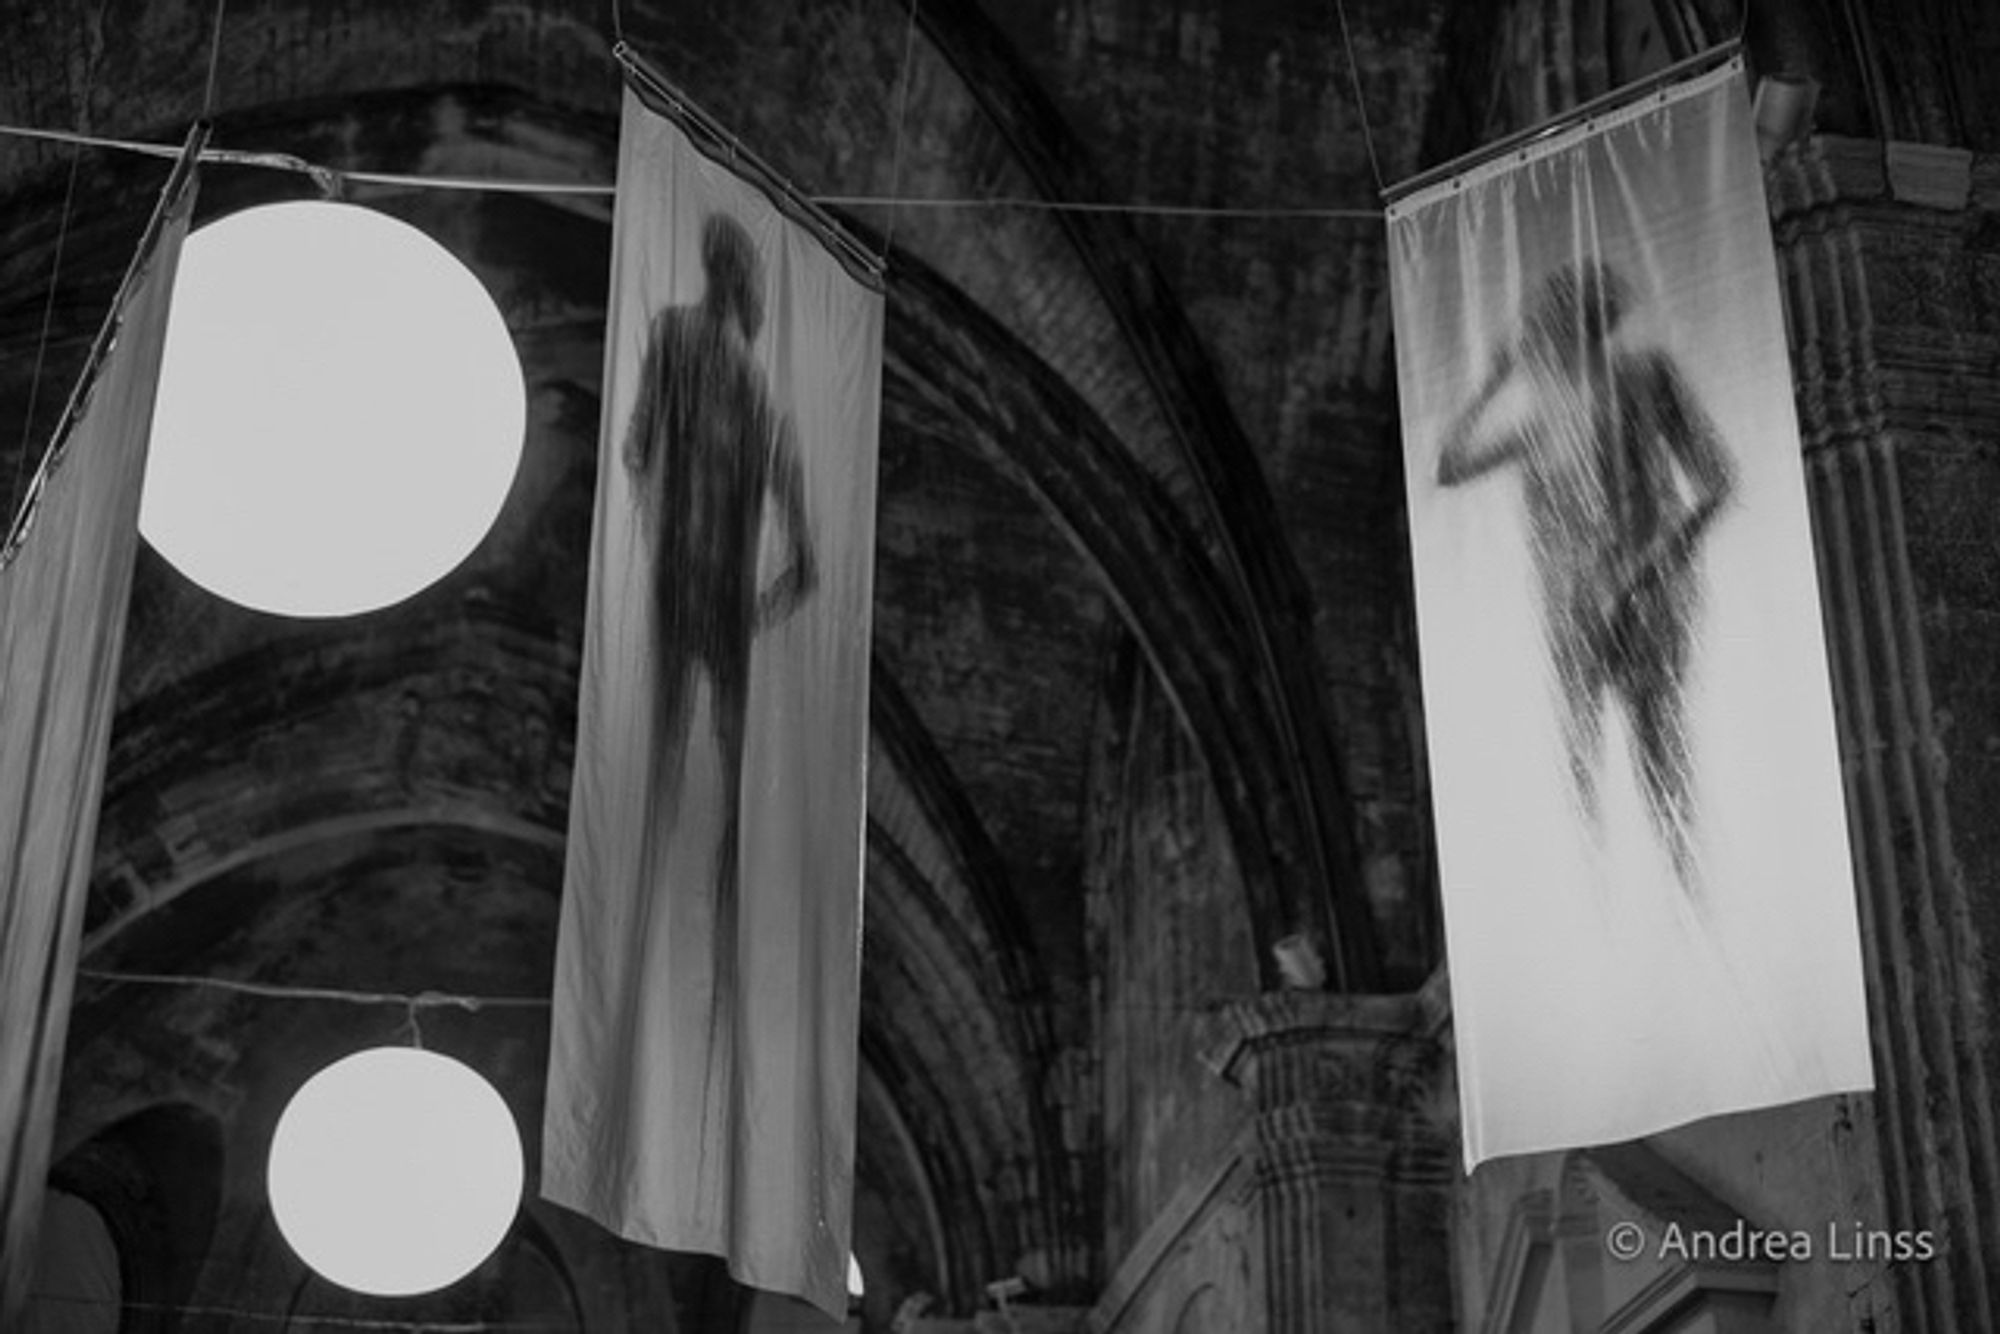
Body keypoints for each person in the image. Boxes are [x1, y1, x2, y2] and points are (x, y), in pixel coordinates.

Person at [1436, 260, 1734, 888]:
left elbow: (1715, 480)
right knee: (1583, 758)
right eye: (1536, 332)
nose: (1537, 341)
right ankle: (1601, 898)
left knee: (1660, 749)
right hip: (1574, 605)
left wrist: (1646, 569)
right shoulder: (1543, 418)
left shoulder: (1647, 377)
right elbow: (1451, 465)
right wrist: (1493, 381)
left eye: (1546, 328)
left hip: (1646, 592)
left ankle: (1690, 888)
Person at [622, 211, 816, 916]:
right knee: (705, 764)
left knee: (681, 759)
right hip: (710, 589)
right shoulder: (748, 388)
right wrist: (761, 604)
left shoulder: (692, 348)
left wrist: (660, 532)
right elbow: (807, 564)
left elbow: (637, 447)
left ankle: (673, 913)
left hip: (686, 580)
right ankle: (703, 924)